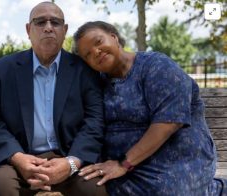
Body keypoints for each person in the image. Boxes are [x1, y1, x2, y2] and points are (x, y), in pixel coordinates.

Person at [73, 21, 227, 195]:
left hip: (175, 160)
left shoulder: (156, 66)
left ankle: (215, 190)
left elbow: (169, 122)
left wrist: (123, 163)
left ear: (114, 37)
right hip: (124, 167)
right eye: (87, 55)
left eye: (98, 42)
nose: (96, 52)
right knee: (83, 184)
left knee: (166, 191)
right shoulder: (97, 83)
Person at [0, 3, 107, 196]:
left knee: (94, 190)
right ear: (28, 30)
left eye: (55, 22)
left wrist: (71, 162)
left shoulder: (85, 71)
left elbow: (94, 122)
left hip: (70, 159)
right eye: (40, 22)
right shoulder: (3, 70)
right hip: (18, 160)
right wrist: (18, 157)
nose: (48, 27)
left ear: (64, 31)